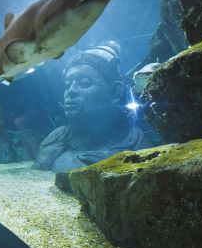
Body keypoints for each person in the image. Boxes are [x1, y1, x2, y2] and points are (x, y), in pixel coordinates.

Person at [33, 40, 152, 172]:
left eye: (84, 83)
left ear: (114, 91)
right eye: (67, 85)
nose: (71, 91)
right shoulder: (55, 139)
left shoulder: (135, 142)